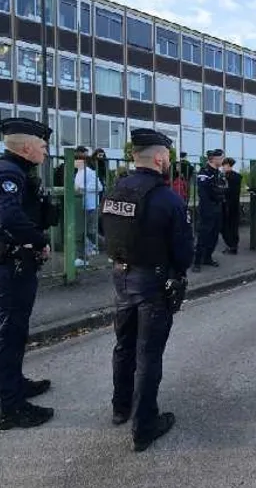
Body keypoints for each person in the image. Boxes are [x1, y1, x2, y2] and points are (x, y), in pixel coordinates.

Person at [103, 128, 193, 453]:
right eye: (167, 156)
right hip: (153, 284)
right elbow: (183, 251)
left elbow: (106, 232)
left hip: (121, 278)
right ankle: (144, 426)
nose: (169, 162)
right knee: (148, 354)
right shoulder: (167, 198)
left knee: (123, 346)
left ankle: (120, 407)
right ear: (159, 158)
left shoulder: (116, 191)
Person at [0, 118, 57, 430]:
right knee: (6, 332)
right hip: (9, 264)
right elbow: (7, 215)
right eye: (42, 145)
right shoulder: (7, 173)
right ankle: (9, 407)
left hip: (9, 261)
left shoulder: (4, 168)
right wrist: (40, 238)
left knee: (11, 330)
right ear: (26, 147)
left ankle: (13, 384)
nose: (46, 150)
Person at [192, 149, 227, 272]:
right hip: (207, 209)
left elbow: (223, 189)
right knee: (203, 235)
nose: (223, 160)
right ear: (214, 159)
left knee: (214, 235)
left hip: (217, 208)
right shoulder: (205, 172)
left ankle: (207, 257)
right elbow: (203, 193)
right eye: (221, 158)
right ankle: (197, 261)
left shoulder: (219, 173)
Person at [73, 152, 104, 267]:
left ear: (81, 160)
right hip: (81, 207)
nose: (73, 162)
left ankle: (111, 250)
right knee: (80, 233)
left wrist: (82, 188)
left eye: (75, 159)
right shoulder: (78, 173)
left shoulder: (90, 172)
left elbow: (99, 187)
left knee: (91, 232)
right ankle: (82, 258)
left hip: (91, 206)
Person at [220, 157, 242, 255]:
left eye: (224, 165)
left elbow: (230, 190)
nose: (222, 167)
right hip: (231, 204)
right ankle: (232, 245)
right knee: (231, 226)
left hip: (230, 204)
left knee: (228, 226)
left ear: (228, 165)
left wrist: (221, 190)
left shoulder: (230, 177)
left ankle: (232, 246)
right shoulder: (232, 176)